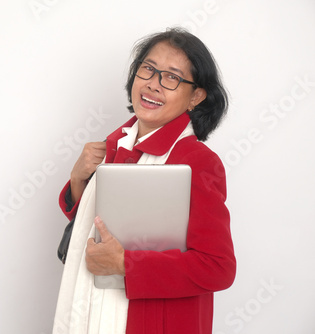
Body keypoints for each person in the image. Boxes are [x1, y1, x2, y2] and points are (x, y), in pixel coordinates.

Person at [53, 28, 236, 334]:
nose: (153, 84)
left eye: (172, 77)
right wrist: (77, 180)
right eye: (148, 69)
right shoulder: (115, 145)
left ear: (196, 96)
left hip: (151, 323)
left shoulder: (196, 161)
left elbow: (218, 268)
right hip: (90, 311)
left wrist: (126, 264)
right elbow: (101, 225)